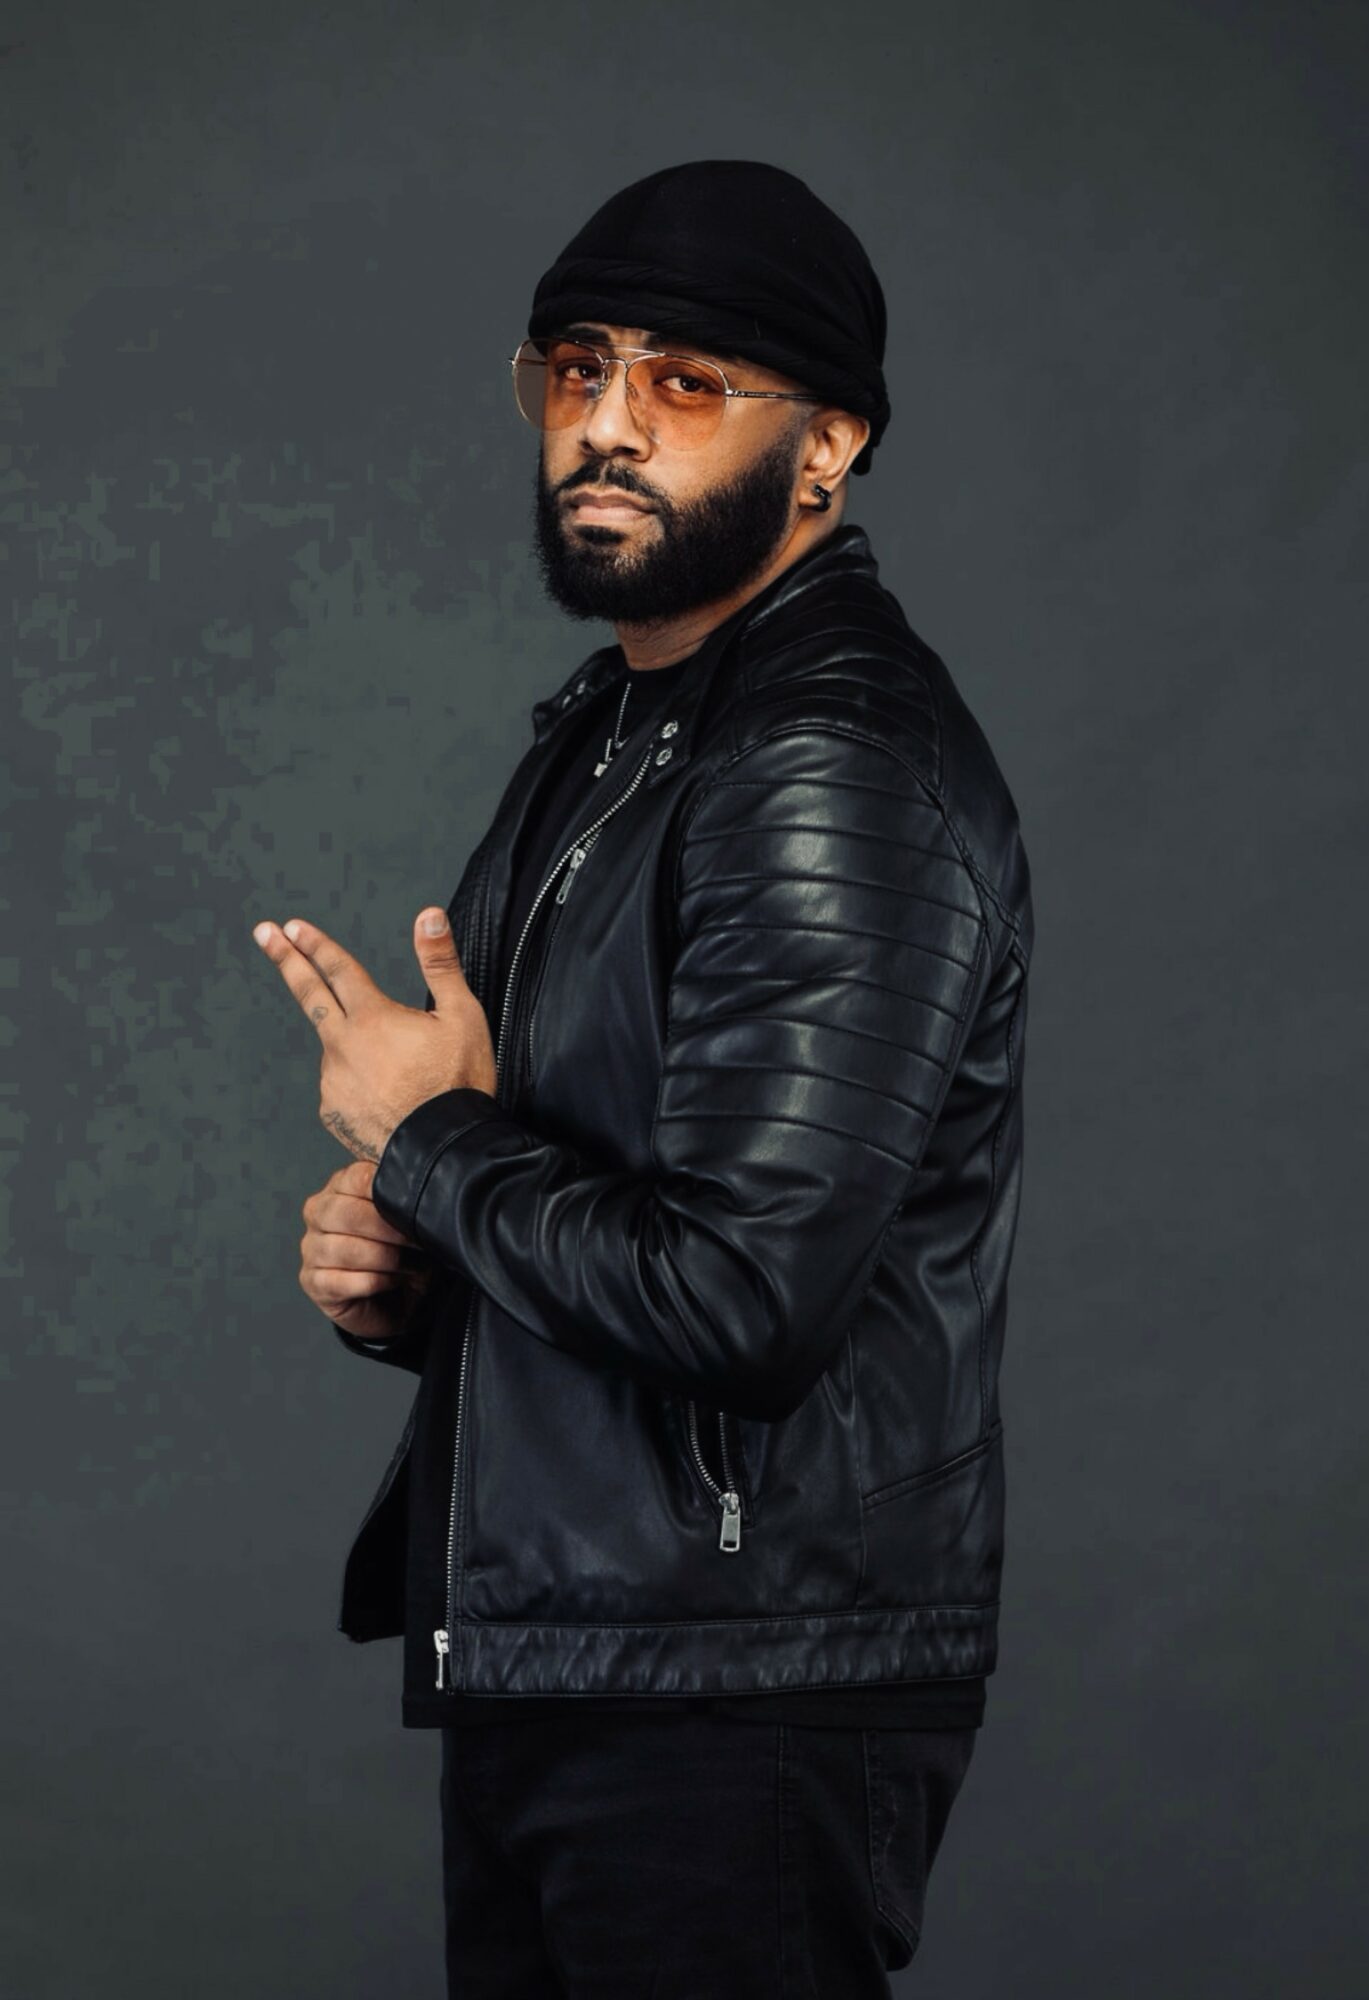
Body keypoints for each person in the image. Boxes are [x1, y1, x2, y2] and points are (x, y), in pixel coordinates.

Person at [254, 159, 1034, 1996]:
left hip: (738, 1679)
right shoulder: (618, 735)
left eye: (685, 382)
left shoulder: (828, 762)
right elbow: (613, 1201)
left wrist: (431, 1141)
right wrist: (418, 1273)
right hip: (584, 1651)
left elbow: (743, 1296)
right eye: (576, 367)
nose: (606, 424)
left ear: (828, 446)